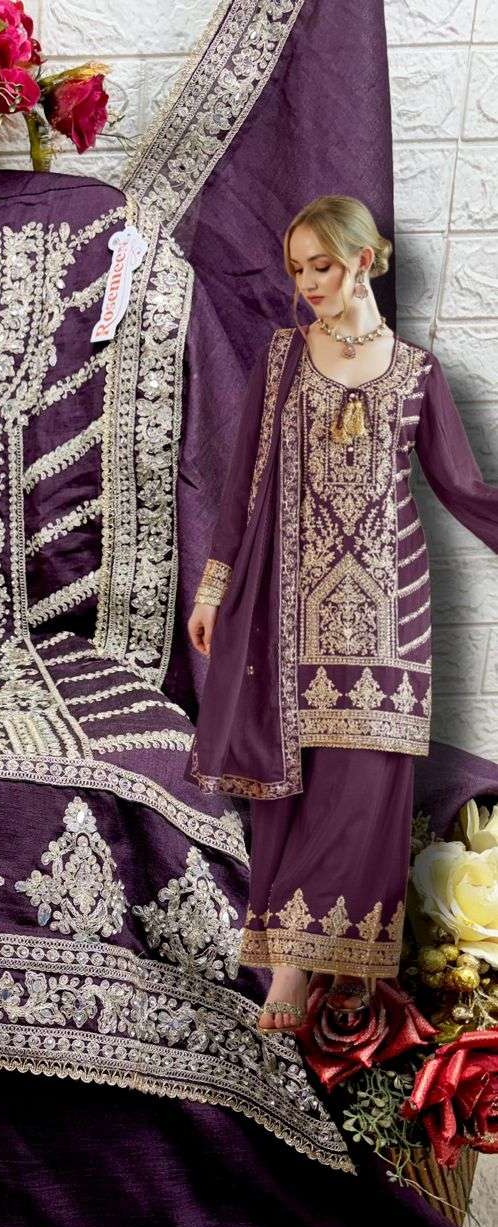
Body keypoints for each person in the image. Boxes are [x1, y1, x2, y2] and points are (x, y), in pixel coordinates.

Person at [186, 193, 498, 1033]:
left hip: (391, 615)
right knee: (299, 794)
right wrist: (214, 588)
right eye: (298, 269)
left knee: (366, 796)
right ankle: (296, 965)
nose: (309, 283)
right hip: (289, 614)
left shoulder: (418, 374)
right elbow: (244, 483)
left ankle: (344, 965)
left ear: (363, 259)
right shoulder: (284, 359)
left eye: (321, 265)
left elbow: (463, 488)